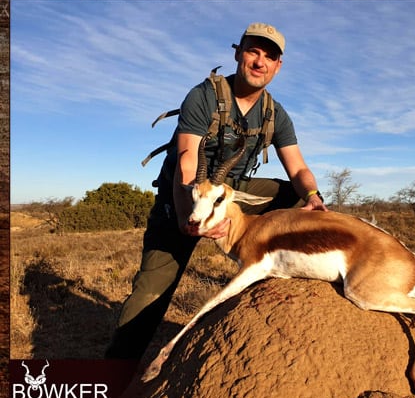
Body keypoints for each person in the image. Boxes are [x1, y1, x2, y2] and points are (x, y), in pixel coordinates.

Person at [105, 23, 327, 362]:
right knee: (149, 296)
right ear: (238, 52)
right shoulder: (204, 95)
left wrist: (313, 196)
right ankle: (112, 377)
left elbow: (297, 169)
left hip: (229, 196)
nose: (259, 61)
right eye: (253, 51)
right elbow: (187, 159)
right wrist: (188, 217)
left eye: (269, 56)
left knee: (298, 199)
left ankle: (278, 272)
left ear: (278, 66)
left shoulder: (275, 113)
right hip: (184, 197)